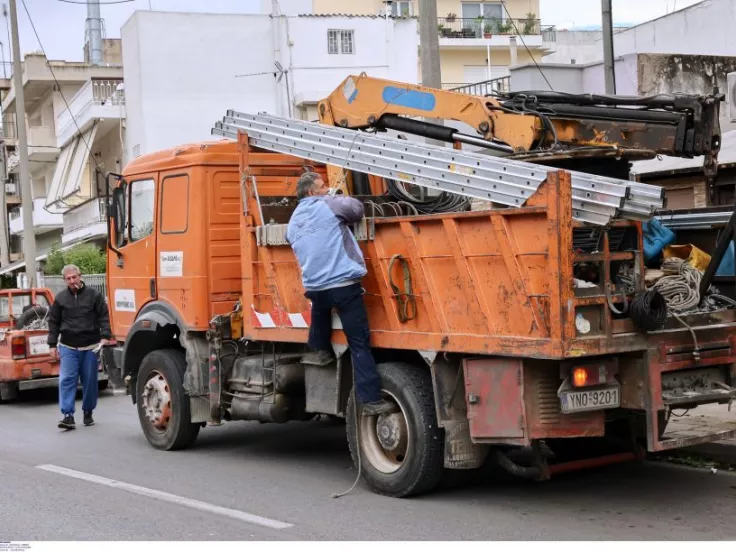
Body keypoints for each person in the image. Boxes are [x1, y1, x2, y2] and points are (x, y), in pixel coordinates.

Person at [286, 172, 397, 417]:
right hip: (343, 285)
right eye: (322, 186)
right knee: (359, 344)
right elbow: (356, 210)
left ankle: (320, 350)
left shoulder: (293, 220)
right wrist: (338, 196)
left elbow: (289, 238)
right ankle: (369, 401)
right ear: (311, 192)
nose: (326, 189)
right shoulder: (329, 204)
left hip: (315, 287)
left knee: (320, 310)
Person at [47, 264, 112, 430]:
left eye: (74, 277)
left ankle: (88, 411)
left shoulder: (94, 296)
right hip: (68, 346)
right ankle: (68, 415)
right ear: (64, 280)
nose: (72, 281)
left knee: (89, 382)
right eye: (68, 279)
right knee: (66, 380)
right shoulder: (60, 298)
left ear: (80, 276)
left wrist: (105, 337)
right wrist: (52, 344)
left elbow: (104, 317)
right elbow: (53, 322)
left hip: (90, 346)